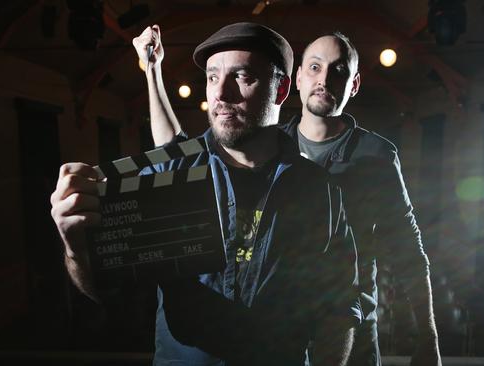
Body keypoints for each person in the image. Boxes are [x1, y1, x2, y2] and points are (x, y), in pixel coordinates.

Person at [52, 22, 361, 366]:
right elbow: (107, 291)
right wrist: (77, 249)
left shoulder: (319, 189)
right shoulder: (169, 173)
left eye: (242, 77)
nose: (221, 94)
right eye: (213, 78)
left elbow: (339, 305)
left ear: (281, 89)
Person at [133, 26, 441, 366]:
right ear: (295, 79)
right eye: (314, 66)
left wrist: (427, 336)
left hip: (347, 330)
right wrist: (153, 72)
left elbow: (408, 250)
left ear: (354, 84)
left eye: (338, 70)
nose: (324, 79)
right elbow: (177, 152)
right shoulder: (264, 140)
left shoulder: (375, 156)